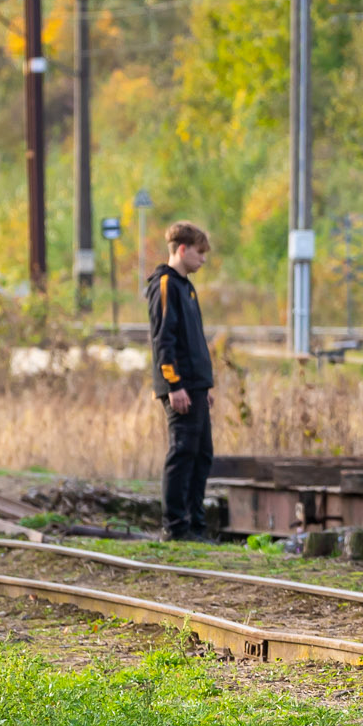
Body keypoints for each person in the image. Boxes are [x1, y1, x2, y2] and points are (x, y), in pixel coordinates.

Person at [145, 221, 217, 542]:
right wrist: (174, 385)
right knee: (182, 451)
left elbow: (194, 341)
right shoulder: (164, 284)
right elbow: (164, 340)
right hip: (179, 388)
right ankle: (174, 527)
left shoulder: (187, 287)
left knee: (202, 454)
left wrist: (203, 386)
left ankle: (195, 525)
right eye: (200, 253)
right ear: (183, 249)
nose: (204, 259)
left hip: (195, 386)